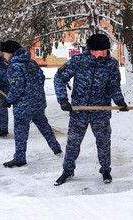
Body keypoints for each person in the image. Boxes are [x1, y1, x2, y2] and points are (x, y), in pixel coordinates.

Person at [54, 34, 128, 186]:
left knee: (103, 143)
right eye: (102, 50)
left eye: (107, 50)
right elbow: (59, 77)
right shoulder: (78, 61)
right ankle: (67, 171)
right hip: (79, 111)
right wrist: (62, 99)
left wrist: (119, 100)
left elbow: (113, 85)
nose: (105, 53)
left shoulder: (111, 64)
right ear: (92, 50)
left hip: (100, 111)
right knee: (73, 143)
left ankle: (106, 170)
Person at [0, 40, 62, 168]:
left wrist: (8, 100)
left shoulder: (15, 67)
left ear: (10, 53)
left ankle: (19, 158)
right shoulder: (32, 63)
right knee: (43, 125)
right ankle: (56, 148)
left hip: (23, 106)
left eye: (4, 53)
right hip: (38, 102)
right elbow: (41, 79)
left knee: (20, 131)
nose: (3, 56)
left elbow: (17, 88)